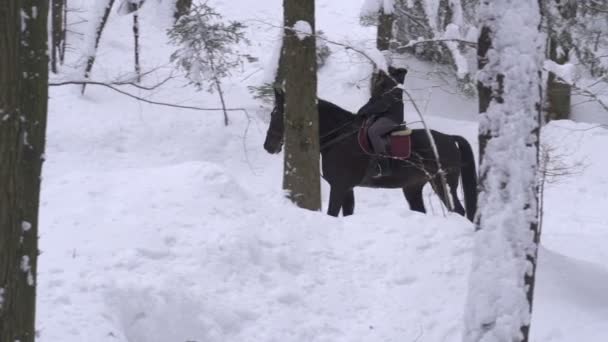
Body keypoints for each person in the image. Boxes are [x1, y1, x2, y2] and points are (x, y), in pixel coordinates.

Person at [357, 66, 408, 178]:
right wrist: (361, 111)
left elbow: (385, 104)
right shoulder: (382, 81)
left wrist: (368, 112)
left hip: (393, 117)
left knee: (373, 132)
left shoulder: (393, 82)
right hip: (382, 115)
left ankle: (384, 166)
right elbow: (373, 100)